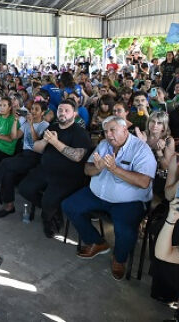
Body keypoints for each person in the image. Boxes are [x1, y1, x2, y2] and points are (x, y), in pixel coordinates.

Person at [62, 116, 157, 280]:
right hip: (98, 194)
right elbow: (87, 169)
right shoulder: (104, 144)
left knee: (125, 231)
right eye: (106, 131)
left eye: (113, 130)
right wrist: (97, 169)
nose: (108, 134)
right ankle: (97, 242)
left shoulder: (142, 150)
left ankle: (119, 259)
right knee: (69, 205)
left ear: (124, 130)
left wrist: (115, 169)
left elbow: (143, 182)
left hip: (128, 202)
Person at [18, 99, 92, 238]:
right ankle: (53, 209)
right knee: (24, 189)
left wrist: (55, 142)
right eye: (60, 110)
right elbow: (37, 148)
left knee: (48, 200)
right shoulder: (52, 127)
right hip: (45, 170)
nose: (62, 113)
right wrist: (45, 140)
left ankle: (50, 221)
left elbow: (77, 157)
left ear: (74, 114)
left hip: (67, 176)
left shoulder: (80, 133)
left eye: (66, 110)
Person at [0, 101, 49, 216]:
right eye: (32, 109)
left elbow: (36, 142)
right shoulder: (25, 123)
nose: (33, 112)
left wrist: (31, 125)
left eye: (37, 109)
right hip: (24, 154)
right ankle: (9, 205)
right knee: (7, 173)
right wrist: (16, 121)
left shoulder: (45, 125)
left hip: (36, 156)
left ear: (43, 112)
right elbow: (14, 136)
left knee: (5, 163)